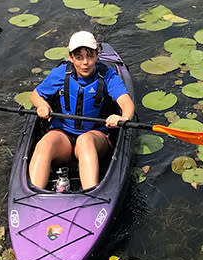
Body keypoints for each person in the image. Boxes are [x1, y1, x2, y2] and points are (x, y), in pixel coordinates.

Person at [28, 32, 136, 190]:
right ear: (71, 57)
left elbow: (127, 103)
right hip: (62, 136)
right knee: (44, 144)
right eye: (79, 57)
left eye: (90, 56)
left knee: (85, 142)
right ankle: (33, 195)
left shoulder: (107, 76)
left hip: (95, 136)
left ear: (97, 54)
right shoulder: (60, 74)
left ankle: (91, 194)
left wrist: (122, 117)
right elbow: (35, 95)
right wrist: (42, 105)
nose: (85, 62)